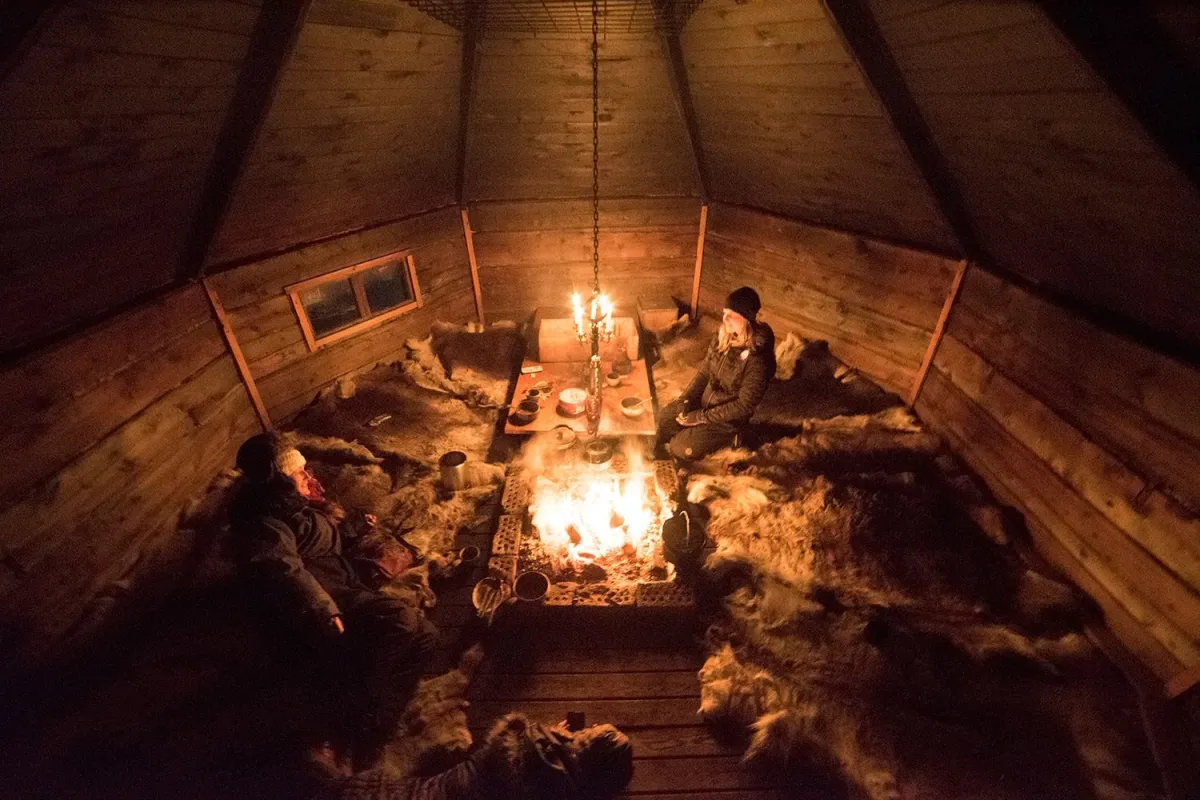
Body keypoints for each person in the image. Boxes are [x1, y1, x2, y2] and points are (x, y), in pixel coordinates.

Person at [228, 433, 436, 768]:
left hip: (342, 582)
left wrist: (352, 527)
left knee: (427, 637)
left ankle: (377, 726)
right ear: (278, 479)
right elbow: (283, 568)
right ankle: (358, 713)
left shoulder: (293, 504)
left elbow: (321, 539)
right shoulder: (262, 522)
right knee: (401, 620)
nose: (310, 479)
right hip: (321, 602)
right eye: (299, 474)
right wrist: (321, 610)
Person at [656, 287, 776, 460]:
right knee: (664, 420)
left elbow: (744, 405)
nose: (725, 319)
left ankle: (732, 439)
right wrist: (685, 400)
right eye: (724, 312)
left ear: (748, 318)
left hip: (728, 421)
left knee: (679, 447)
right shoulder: (722, 338)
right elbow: (704, 373)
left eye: (732, 314)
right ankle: (696, 432)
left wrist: (700, 417)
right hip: (706, 406)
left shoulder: (758, 358)